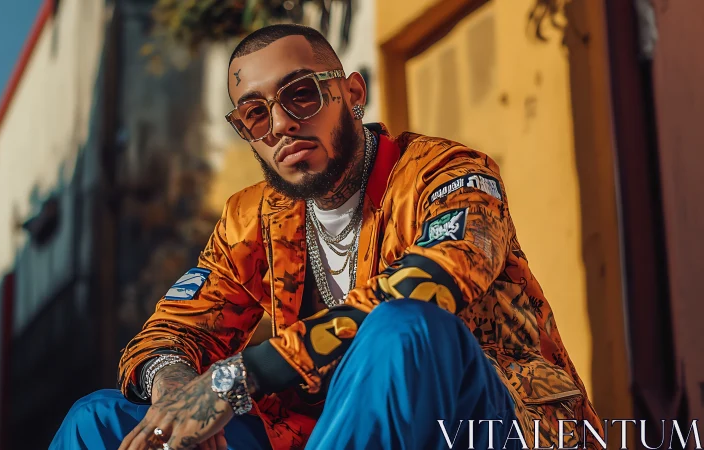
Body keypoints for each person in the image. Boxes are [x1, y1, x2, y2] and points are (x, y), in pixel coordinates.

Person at [51, 24, 604, 450]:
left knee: (402, 330)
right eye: (255, 113)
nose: (282, 123)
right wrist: (175, 390)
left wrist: (234, 380)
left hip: (492, 424)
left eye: (301, 95)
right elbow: (174, 328)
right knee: (98, 421)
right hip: (321, 433)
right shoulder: (250, 219)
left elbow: (430, 285)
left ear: (352, 93)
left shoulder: (448, 173)